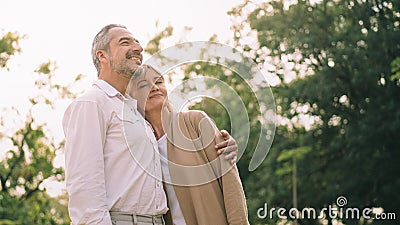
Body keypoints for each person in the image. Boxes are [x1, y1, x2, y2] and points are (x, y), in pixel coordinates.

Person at [62, 24, 238, 225]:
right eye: (125, 42)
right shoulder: (92, 103)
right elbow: (84, 188)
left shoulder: (134, 112)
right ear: (102, 56)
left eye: (137, 42)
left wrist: (225, 144)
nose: (138, 48)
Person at [127, 64, 250, 225]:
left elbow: (230, 181)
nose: (154, 87)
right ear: (131, 97)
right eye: (143, 85)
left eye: (159, 82)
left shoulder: (195, 121)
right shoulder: (137, 143)